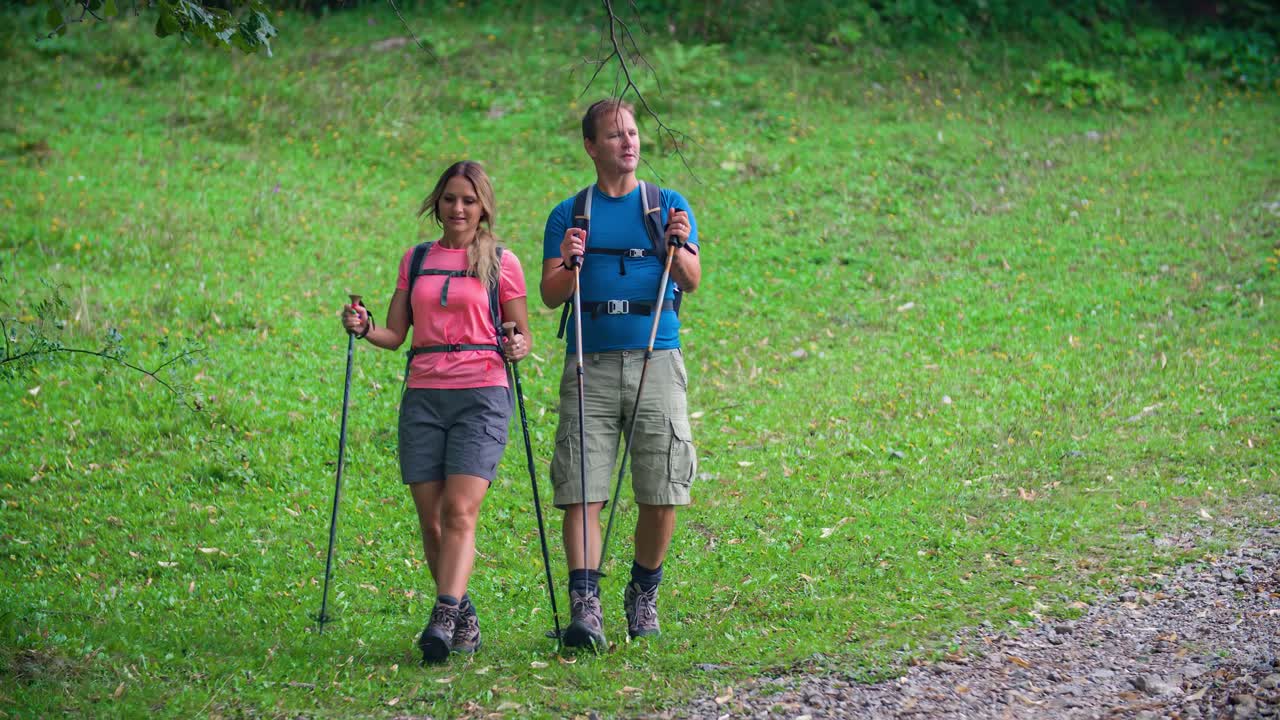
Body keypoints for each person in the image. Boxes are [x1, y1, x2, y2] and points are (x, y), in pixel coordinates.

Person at [341, 160, 530, 663]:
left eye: (469, 199)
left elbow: (521, 334)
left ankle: (443, 616)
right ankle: (462, 615)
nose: (458, 208)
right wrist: (363, 327)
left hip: (481, 395)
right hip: (423, 396)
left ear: (483, 205)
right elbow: (395, 333)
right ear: (438, 202)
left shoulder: (502, 262)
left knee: (459, 510)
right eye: (450, 198)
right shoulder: (417, 258)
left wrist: (516, 346)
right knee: (432, 524)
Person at [539, 99, 701, 649]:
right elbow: (549, 293)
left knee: (662, 488)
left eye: (632, 133)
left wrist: (674, 247)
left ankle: (642, 590)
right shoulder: (570, 214)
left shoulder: (668, 206)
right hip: (590, 361)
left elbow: (694, 279)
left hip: (657, 355)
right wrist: (567, 260)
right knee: (581, 488)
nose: (628, 143)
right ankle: (586, 605)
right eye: (614, 136)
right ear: (591, 146)